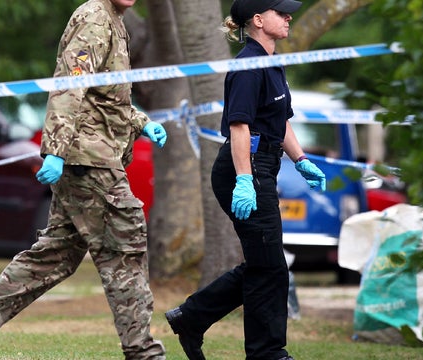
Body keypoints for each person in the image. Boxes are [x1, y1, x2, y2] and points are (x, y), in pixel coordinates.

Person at [0, 0, 168, 359]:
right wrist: (56, 151)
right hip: (88, 159)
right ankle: (144, 352)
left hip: (91, 154)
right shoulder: (94, 17)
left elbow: (103, 97)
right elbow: (69, 87)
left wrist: (139, 122)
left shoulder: (114, 20)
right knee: (126, 248)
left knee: (56, 256)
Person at [164, 0, 326, 359]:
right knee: (270, 266)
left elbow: (279, 120)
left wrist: (301, 160)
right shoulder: (248, 68)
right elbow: (240, 126)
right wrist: (245, 179)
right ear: (257, 20)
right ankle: (267, 352)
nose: (288, 17)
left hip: (263, 166)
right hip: (243, 168)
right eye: (280, 12)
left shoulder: (271, 62)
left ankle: (191, 318)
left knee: (264, 263)